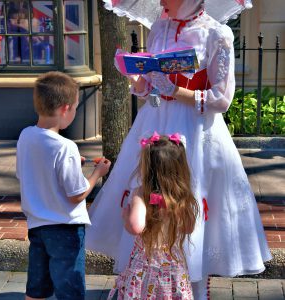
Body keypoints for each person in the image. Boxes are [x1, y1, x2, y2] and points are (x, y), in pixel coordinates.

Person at [86, 1, 272, 299]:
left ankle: (192, 290)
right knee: (149, 200)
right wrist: (136, 78)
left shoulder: (217, 33)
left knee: (191, 202)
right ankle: (146, 285)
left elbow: (222, 99)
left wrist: (175, 90)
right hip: (155, 125)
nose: (160, 2)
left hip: (196, 132)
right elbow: (150, 88)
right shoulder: (160, 26)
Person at [16, 71, 111, 300]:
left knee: (37, 287)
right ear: (65, 109)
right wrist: (97, 173)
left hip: (37, 226)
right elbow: (76, 195)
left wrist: (72, 165)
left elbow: (29, 171)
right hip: (65, 228)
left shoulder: (25, 136)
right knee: (70, 289)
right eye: (76, 108)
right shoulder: (66, 147)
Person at [107, 132, 198, 299]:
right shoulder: (181, 198)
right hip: (173, 265)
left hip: (146, 265)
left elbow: (136, 226)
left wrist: (126, 216)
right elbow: (188, 227)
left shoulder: (141, 194)